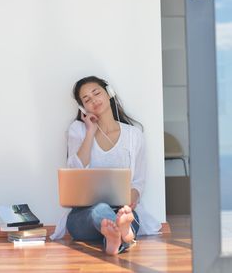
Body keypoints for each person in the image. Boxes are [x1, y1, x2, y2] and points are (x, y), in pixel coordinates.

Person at [50, 76, 161, 254]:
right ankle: (125, 235)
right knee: (100, 209)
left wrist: (128, 205)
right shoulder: (77, 131)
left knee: (125, 217)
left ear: (109, 93)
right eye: (86, 99)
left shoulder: (134, 135)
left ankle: (114, 239)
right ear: (82, 108)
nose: (93, 100)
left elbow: (138, 183)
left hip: (121, 210)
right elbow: (75, 173)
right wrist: (90, 132)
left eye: (96, 93)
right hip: (83, 216)